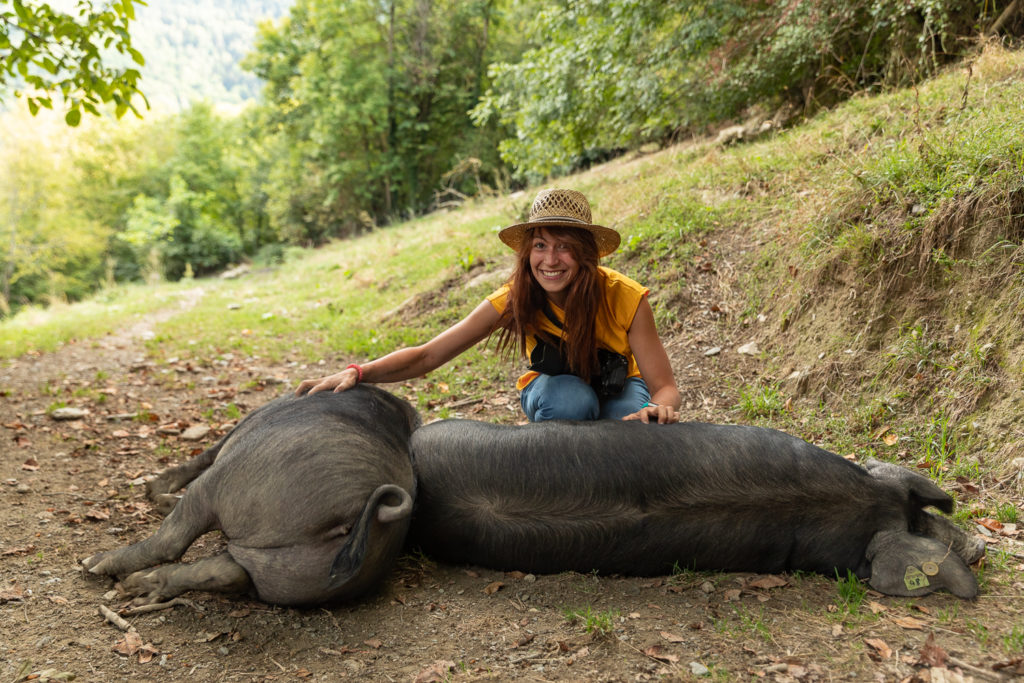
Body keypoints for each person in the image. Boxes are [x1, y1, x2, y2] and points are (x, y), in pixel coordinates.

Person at [296, 188, 681, 424]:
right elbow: (429, 355)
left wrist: (659, 409)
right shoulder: (516, 298)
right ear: (527, 251)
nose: (551, 260)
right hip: (558, 391)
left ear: (585, 254)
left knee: (629, 425)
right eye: (541, 245)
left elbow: (664, 386)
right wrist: (359, 372)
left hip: (618, 388)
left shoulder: (625, 296)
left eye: (564, 246)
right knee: (570, 401)